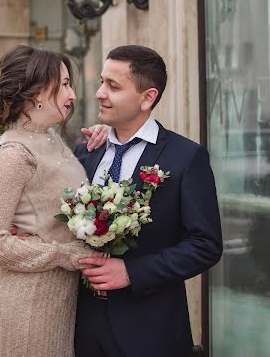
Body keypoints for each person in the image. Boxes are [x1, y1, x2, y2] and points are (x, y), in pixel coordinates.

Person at [74, 45, 223, 357]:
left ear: (147, 98)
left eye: (113, 86)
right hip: (81, 327)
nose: (100, 93)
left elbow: (205, 244)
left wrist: (132, 273)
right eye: (102, 81)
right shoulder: (87, 151)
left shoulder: (185, 158)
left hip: (151, 330)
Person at [0, 45, 105, 357]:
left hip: (57, 297)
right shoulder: (14, 154)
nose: (72, 95)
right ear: (36, 92)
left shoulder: (49, 137)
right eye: (63, 85)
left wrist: (103, 140)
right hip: (24, 302)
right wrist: (65, 254)